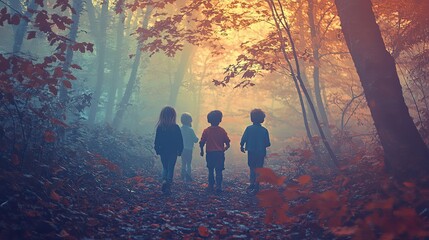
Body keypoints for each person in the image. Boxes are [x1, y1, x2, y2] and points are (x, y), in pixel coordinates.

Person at [240, 109, 271, 194]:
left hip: (251, 151)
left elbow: (244, 139)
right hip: (261, 152)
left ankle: (252, 183)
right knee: (259, 168)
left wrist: (241, 146)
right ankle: (257, 185)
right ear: (262, 119)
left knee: (252, 167)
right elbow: (267, 143)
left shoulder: (249, 129)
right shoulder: (264, 130)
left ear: (252, 118)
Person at [154, 106, 184, 195]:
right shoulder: (176, 127)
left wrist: (157, 149)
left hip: (163, 151)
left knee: (165, 167)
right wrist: (180, 150)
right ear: (173, 116)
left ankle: (164, 181)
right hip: (173, 151)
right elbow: (180, 140)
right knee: (171, 168)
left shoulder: (160, 127)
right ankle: (168, 185)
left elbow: (157, 140)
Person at [199, 110, 230, 194]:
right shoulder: (222, 131)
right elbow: (227, 143)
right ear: (220, 120)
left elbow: (202, 142)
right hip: (219, 154)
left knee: (210, 170)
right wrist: (224, 148)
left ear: (209, 120)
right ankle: (219, 186)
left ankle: (211, 185)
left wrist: (201, 151)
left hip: (210, 153)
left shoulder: (206, 131)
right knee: (219, 170)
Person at [180, 112, 199, 182]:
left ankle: (182, 174)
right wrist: (197, 138)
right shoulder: (191, 130)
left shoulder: (180, 129)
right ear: (189, 121)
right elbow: (195, 140)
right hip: (189, 149)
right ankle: (188, 176)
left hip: (182, 149)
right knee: (189, 163)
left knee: (183, 163)